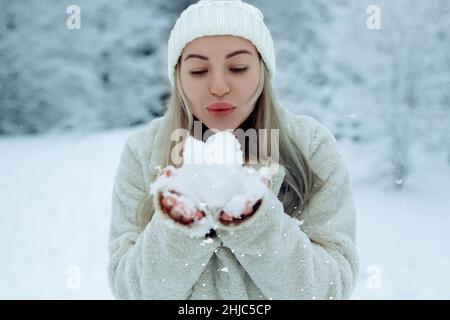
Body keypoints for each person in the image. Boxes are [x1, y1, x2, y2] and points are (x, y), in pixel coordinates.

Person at [107, 0, 359, 300]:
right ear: (178, 78)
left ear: (263, 71)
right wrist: (181, 224)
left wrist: (256, 221)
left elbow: (330, 290)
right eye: (198, 71)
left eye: (238, 68)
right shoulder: (142, 151)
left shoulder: (312, 146)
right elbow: (131, 292)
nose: (218, 86)